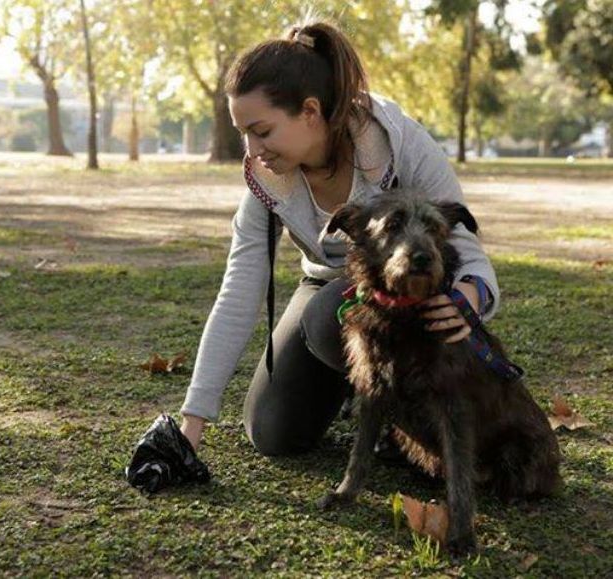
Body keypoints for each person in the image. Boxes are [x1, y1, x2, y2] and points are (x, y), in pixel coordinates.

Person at [178, 20, 499, 459]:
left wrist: (470, 296)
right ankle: (358, 389)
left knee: (333, 310)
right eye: (243, 133)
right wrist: (192, 421)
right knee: (273, 433)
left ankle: (400, 417)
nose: (251, 150)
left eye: (262, 131)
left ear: (310, 111)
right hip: (325, 289)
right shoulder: (265, 180)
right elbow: (239, 289)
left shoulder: (399, 141)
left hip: (405, 298)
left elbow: (466, 245)